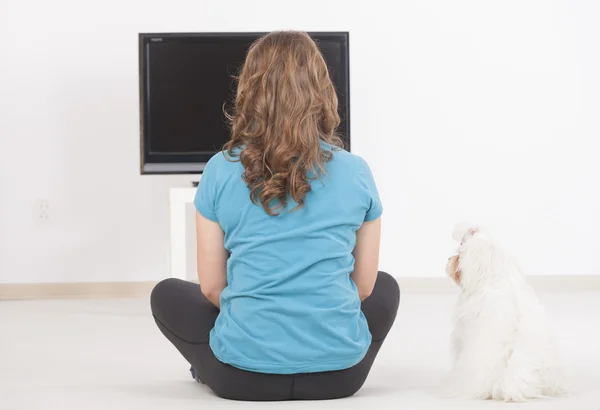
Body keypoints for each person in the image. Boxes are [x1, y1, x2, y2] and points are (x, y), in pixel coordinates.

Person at [150, 31, 400, 401]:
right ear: (322, 91)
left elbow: (212, 287)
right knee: (386, 287)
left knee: (166, 295)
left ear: (250, 90)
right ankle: (323, 348)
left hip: (242, 378)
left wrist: (263, 308)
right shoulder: (356, 170)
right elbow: (363, 288)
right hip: (341, 377)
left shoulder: (219, 170)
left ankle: (211, 363)